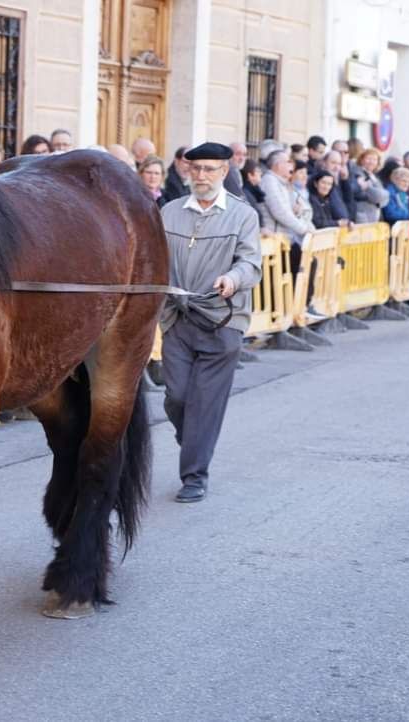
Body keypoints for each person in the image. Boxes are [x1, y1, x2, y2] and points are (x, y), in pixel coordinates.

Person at [159, 142, 261, 503]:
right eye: (195, 168)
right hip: (177, 317)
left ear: (224, 172)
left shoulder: (243, 215)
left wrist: (233, 279)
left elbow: (251, 263)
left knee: (205, 402)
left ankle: (194, 476)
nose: (201, 176)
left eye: (209, 169)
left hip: (223, 320)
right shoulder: (168, 212)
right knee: (177, 397)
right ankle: (194, 441)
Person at [259, 150, 312, 243]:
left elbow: (291, 210)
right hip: (273, 243)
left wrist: (297, 210)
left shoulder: (281, 183)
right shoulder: (269, 181)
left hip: (284, 240)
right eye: (289, 162)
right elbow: (280, 212)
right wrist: (305, 230)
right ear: (278, 165)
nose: (292, 166)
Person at [350, 149, 390, 224]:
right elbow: (377, 195)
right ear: (361, 159)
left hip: (374, 216)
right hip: (362, 216)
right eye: (368, 158)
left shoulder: (374, 176)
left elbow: (385, 199)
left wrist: (378, 197)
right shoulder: (357, 173)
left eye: (374, 159)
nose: (371, 162)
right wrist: (377, 196)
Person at [319, 150, 354, 222]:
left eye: (339, 164)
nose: (337, 167)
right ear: (324, 163)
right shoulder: (319, 181)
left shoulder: (339, 180)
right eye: (333, 163)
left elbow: (350, 201)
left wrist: (345, 181)